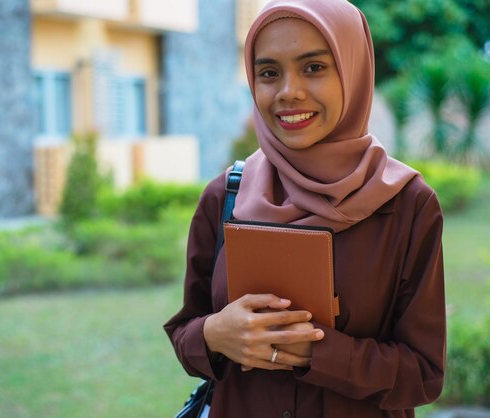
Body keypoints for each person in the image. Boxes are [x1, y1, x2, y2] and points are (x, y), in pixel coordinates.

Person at [164, 0, 445, 416]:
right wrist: (213, 333)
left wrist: (318, 352)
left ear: (352, 71)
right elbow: (185, 333)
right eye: (268, 73)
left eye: (313, 67)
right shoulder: (226, 195)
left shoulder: (406, 204)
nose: (287, 92)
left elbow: (423, 374)